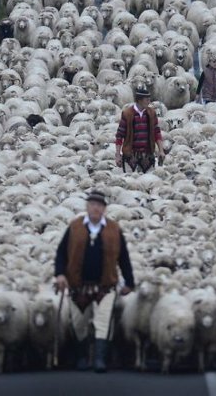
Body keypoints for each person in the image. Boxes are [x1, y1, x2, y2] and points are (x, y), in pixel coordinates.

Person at [54, 191, 135, 372]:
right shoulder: (75, 227)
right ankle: (82, 357)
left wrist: (129, 281)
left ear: (104, 209)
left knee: (103, 321)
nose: (95, 208)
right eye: (92, 204)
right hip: (77, 285)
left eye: (99, 205)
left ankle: (99, 360)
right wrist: (60, 274)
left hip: (105, 286)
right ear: (87, 207)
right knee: (78, 323)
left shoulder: (114, 229)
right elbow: (61, 253)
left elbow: (123, 257)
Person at [115, 87, 165, 172]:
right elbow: (120, 135)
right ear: (139, 100)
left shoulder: (151, 113)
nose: (149, 102)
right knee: (130, 182)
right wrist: (118, 154)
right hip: (130, 155)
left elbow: (156, 132)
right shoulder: (127, 113)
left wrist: (161, 150)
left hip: (148, 154)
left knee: (148, 182)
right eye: (147, 100)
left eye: (149, 99)